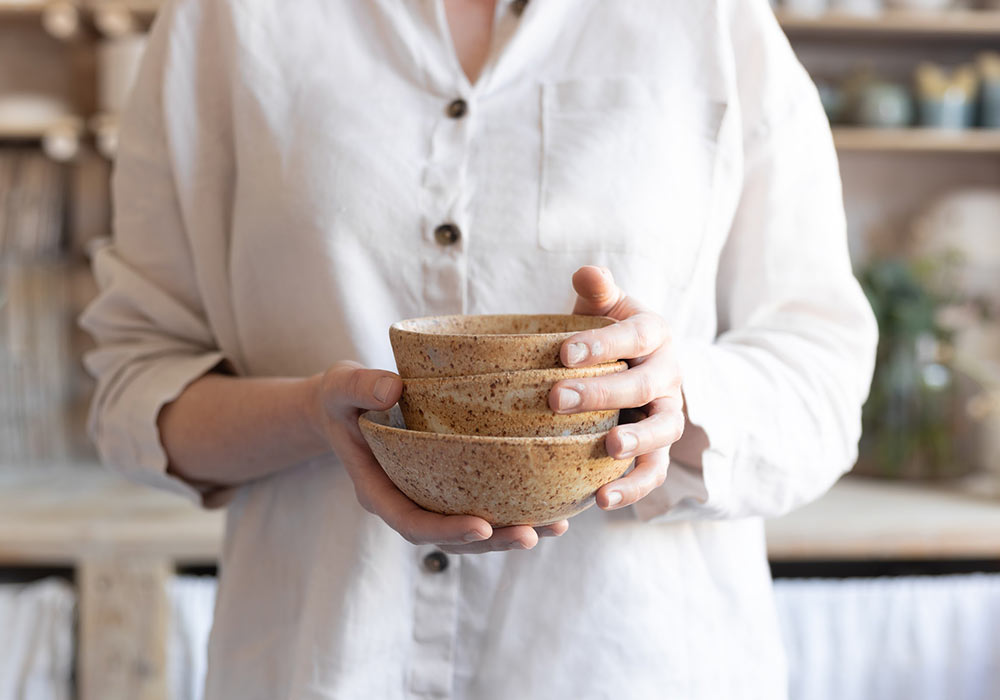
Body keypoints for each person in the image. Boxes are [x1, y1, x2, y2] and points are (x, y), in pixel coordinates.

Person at [81, 0, 878, 697]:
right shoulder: (226, 20)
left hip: (632, 665)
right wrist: (314, 416)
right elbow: (133, 391)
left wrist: (674, 398)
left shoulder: (710, 18)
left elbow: (822, 377)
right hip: (324, 666)